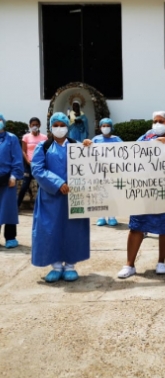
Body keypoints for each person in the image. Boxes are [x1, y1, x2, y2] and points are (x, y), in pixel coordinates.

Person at [117, 111, 165, 279]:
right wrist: (152, 144)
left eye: (161, 121)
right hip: (144, 193)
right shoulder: (144, 140)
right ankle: (129, 264)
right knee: (136, 226)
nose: (157, 124)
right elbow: (129, 153)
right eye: (154, 121)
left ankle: (161, 262)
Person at [31, 112, 89, 282]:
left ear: (67, 126)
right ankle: (55, 265)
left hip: (74, 196)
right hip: (50, 197)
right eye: (55, 125)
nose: (59, 128)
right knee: (50, 229)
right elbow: (37, 169)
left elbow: (91, 164)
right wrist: (57, 183)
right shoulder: (43, 147)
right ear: (50, 127)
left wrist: (89, 146)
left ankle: (70, 265)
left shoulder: (77, 146)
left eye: (62, 125)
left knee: (74, 230)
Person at [82, 118, 122, 227]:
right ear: (100, 127)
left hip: (113, 172)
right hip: (98, 172)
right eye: (103, 126)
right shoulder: (95, 139)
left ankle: (112, 216)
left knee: (112, 194)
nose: (105, 128)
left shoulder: (117, 139)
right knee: (100, 193)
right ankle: (101, 216)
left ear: (111, 127)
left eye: (107, 126)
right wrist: (86, 143)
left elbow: (124, 152)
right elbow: (86, 151)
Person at [0, 113, 24, 250]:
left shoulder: (11, 138)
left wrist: (14, 176)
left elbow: (17, 158)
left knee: (8, 209)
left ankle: (10, 238)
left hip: (8, 179)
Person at [18, 117, 46, 209]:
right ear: (30, 126)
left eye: (36, 124)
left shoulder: (44, 137)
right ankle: (16, 206)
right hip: (28, 165)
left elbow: (46, 151)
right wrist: (28, 161)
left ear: (39, 125)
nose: (35, 126)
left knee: (40, 187)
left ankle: (40, 207)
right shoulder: (26, 137)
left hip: (40, 165)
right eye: (33, 125)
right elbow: (23, 151)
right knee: (24, 186)